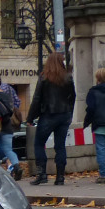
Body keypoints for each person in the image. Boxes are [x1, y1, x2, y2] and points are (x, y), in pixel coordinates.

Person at [25, 52, 75, 186]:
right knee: (60, 146)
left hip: (48, 114)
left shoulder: (45, 77)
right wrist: (70, 113)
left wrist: (30, 117)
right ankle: (60, 177)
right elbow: (73, 97)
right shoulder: (68, 77)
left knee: (39, 144)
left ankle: (42, 174)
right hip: (64, 115)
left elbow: (37, 98)